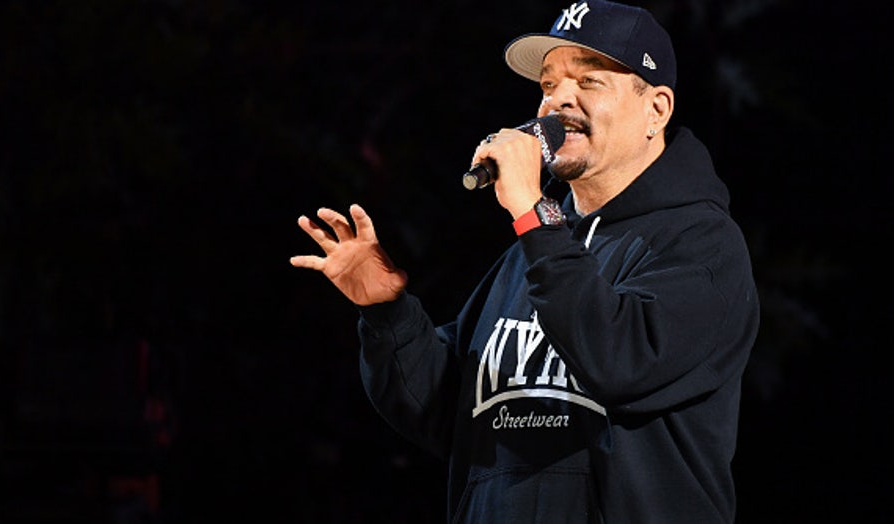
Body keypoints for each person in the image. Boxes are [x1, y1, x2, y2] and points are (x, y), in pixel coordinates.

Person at [291, 1, 759, 522]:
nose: (559, 101)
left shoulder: (703, 246)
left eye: (589, 81)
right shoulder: (531, 253)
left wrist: (536, 217)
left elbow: (619, 360)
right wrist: (389, 312)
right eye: (548, 85)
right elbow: (445, 410)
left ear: (657, 110)